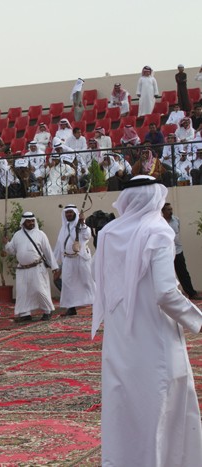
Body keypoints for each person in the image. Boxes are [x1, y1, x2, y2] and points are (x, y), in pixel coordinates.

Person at [92, 175, 202, 466]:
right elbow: (166, 293)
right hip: (155, 337)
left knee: (125, 408)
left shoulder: (109, 233)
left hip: (119, 339)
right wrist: (198, 320)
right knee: (163, 407)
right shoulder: (158, 230)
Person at [4, 212, 57, 322]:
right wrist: (7, 244)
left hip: (37, 268)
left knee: (40, 290)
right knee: (23, 292)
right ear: (23, 222)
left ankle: (47, 311)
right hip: (22, 269)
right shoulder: (17, 235)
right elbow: (12, 251)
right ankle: (25, 313)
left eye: (32, 221)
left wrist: (54, 267)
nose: (31, 223)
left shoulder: (40, 234)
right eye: (28, 221)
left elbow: (47, 251)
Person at [52, 205, 95, 317]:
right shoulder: (63, 228)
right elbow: (59, 245)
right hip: (68, 260)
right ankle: (71, 308)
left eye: (71, 212)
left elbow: (87, 236)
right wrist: (54, 263)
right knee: (67, 283)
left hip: (81, 258)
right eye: (67, 213)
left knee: (88, 282)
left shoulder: (81, 225)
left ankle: (96, 306)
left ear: (75, 213)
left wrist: (82, 223)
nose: (69, 214)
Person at [162, 203, 199, 299]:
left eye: (171, 209)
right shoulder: (160, 222)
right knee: (166, 274)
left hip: (178, 250)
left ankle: (192, 293)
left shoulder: (176, 220)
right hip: (166, 252)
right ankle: (170, 297)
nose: (171, 211)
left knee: (183, 273)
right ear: (163, 211)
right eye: (168, 210)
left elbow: (178, 231)